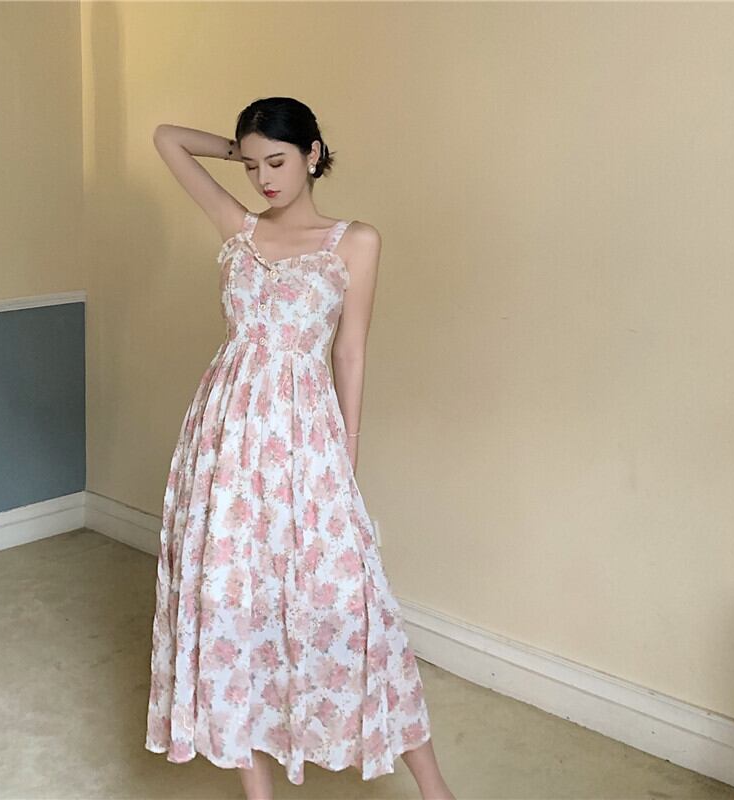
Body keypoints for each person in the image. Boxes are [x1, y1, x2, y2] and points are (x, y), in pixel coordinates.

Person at [144, 96, 455, 800]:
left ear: (313, 154)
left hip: (306, 437)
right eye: (252, 166)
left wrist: (346, 456)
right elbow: (167, 138)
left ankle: (435, 790)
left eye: (277, 161)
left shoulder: (355, 241)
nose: (264, 179)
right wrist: (243, 145)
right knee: (227, 604)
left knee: (352, 604)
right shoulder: (240, 227)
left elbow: (350, 352)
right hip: (224, 437)